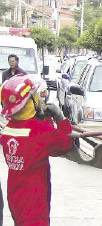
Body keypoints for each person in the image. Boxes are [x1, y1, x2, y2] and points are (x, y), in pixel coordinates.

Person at [0, 75, 75, 225]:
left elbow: (32, 134)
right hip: (34, 200)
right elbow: (66, 144)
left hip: (16, 195)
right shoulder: (41, 132)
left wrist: (43, 119)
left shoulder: (8, 129)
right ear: (30, 102)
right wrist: (60, 118)